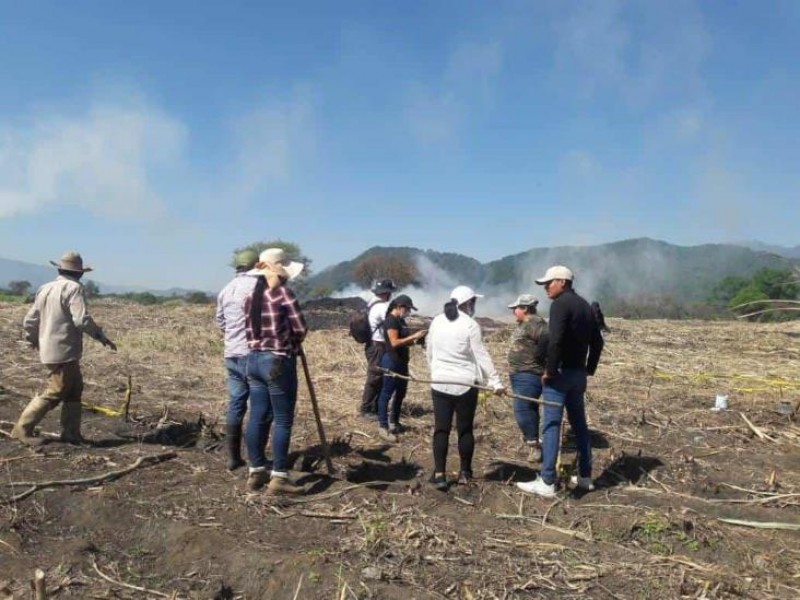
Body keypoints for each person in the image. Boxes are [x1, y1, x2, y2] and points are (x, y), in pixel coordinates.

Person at [12, 251, 116, 445]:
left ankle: (71, 434)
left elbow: (30, 320)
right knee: (57, 390)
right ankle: (22, 429)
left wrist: (33, 339)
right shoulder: (74, 288)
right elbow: (81, 319)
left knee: (75, 389)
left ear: (60, 269)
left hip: (51, 348)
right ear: (80, 273)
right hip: (65, 350)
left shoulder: (45, 288)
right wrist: (100, 336)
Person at [517, 266, 603, 498]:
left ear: (562, 282)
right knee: (580, 426)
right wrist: (589, 369)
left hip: (561, 375)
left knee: (551, 425)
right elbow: (598, 342)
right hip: (578, 375)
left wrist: (550, 370)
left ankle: (547, 481)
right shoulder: (585, 305)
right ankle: (585, 477)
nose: (546, 287)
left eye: (549, 283)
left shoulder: (560, 305)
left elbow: (555, 340)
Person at [426, 285, 505, 490]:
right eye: (473, 302)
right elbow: (481, 356)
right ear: (468, 303)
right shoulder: (470, 324)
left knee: (441, 429)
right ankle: (464, 473)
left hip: (440, 383)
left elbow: (430, 351)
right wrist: (495, 382)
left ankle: (440, 474)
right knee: (465, 429)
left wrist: (435, 372)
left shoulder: (436, 321)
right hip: (465, 384)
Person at [244, 248, 308, 495]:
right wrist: (292, 341)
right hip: (278, 361)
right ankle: (279, 477)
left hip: (254, 360)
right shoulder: (283, 294)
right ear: (280, 271)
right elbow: (300, 328)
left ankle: (256, 470)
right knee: (282, 419)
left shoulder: (252, 297)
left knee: (258, 416)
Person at [215, 249, 260, 471]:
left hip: (231, 353)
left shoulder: (226, 290)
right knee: (260, 406)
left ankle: (233, 457)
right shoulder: (258, 287)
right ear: (257, 265)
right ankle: (256, 460)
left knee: (236, 404)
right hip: (253, 354)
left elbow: (221, 322)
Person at [376, 294, 427, 442]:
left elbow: (404, 342)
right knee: (386, 394)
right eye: (408, 309)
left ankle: (394, 422)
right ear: (399, 307)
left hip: (402, 362)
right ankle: (383, 426)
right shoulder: (391, 321)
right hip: (391, 361)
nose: (409, 312)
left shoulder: (401, 321)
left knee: (400, 393)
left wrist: (416, 340)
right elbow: (394, 343)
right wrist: (413, 336)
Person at [507, 294, 548, 461]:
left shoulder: (535, 323)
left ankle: (534, 445)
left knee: (522, 408)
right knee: (529, 408)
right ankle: (535, 443)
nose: (513, 312)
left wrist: (540, 359)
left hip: (529, 373)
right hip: (520, 374)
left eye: (516, 308)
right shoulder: (525, 324)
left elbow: (547, 340)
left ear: (525, 308)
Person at [360, 279, 397, 420]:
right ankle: (366, 409)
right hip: (378, 347)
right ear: (387, 293)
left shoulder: (372, 303)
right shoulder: (382, 307)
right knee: (375, 378)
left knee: (378, 377)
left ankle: (374, 408)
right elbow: (392, 323)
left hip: (373, 345)